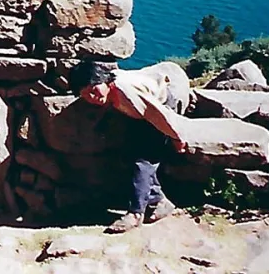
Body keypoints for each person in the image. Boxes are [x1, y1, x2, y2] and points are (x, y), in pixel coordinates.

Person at [69, 60, 186, 234]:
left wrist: (176, 137)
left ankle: (135, 213)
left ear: (105, 81)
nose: (93, 97)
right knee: (129, 154)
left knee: (145, 161)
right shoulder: (110, 91)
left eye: (94, 90)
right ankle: (160, 202)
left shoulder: (127, 92)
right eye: (87, 96)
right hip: (139, 114)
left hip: (160, 105)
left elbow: (157, 114)